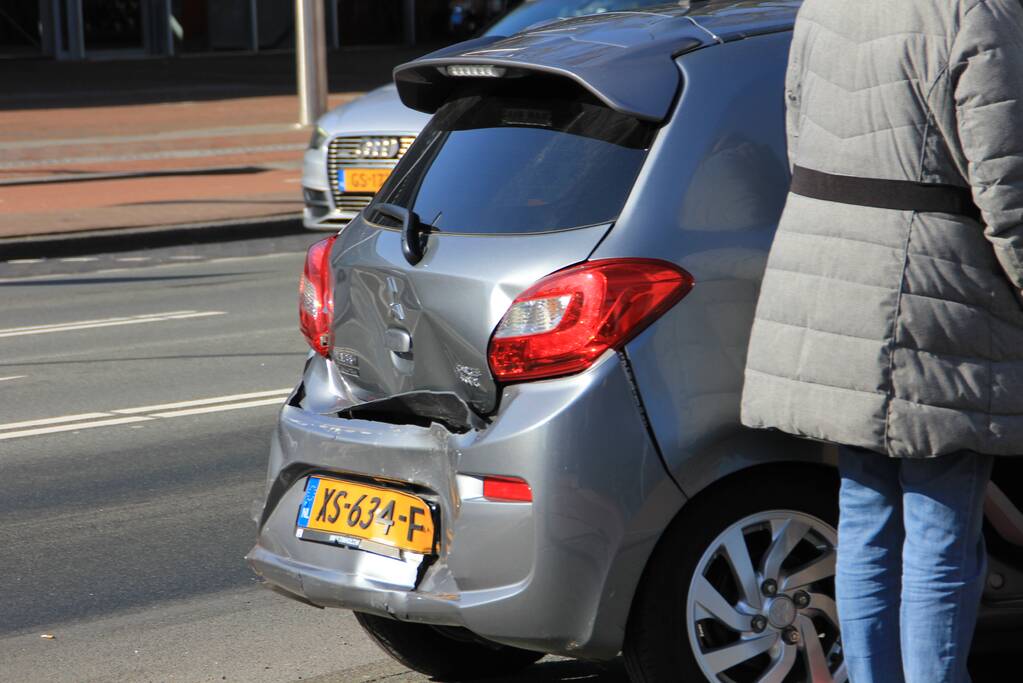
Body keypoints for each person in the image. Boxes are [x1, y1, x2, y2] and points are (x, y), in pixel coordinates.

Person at [740, 1, 1023, 681]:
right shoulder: (978, 11)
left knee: (866, 512)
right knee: (940, 526)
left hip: (828, 279)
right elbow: (1006, 184)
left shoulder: (822, 4)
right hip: (932, 291)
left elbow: (797, 128)